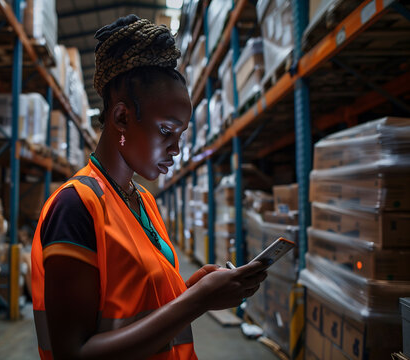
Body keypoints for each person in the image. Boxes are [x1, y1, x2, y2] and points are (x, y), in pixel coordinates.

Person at [31, 14, 268, 360]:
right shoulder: (75, 207)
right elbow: (75, 354)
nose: (176, 148)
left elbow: (136, 308)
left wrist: (191, 289)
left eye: (181, 135)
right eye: (166, 131)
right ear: (122, 118)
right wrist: (196, 301)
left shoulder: (141, 200)